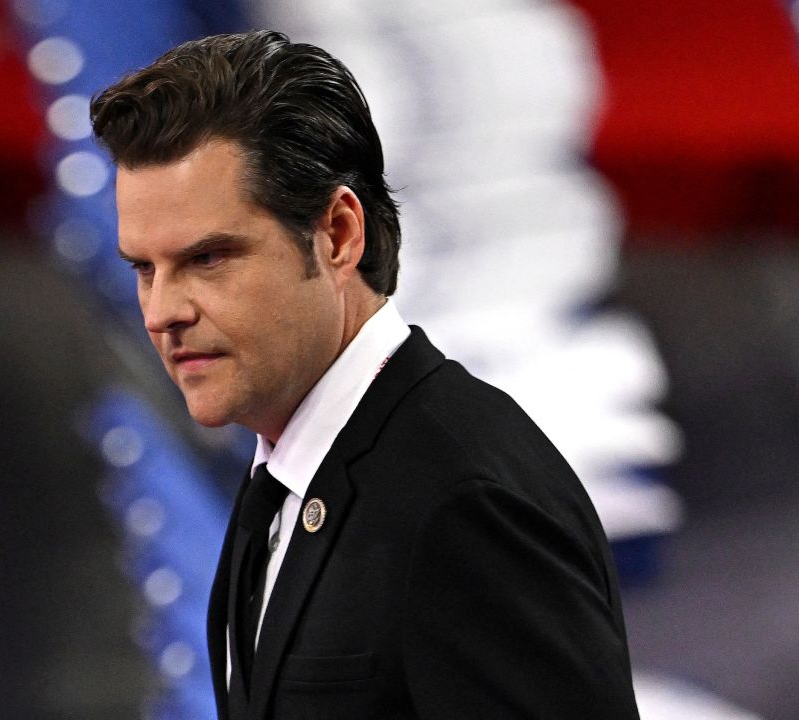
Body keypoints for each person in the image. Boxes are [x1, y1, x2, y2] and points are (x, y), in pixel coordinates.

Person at [91, 29, 640, 720]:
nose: (163, 312)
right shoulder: (283, 475)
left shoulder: (466, 503)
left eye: (209, 259)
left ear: (339, 235)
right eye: (144, 269)